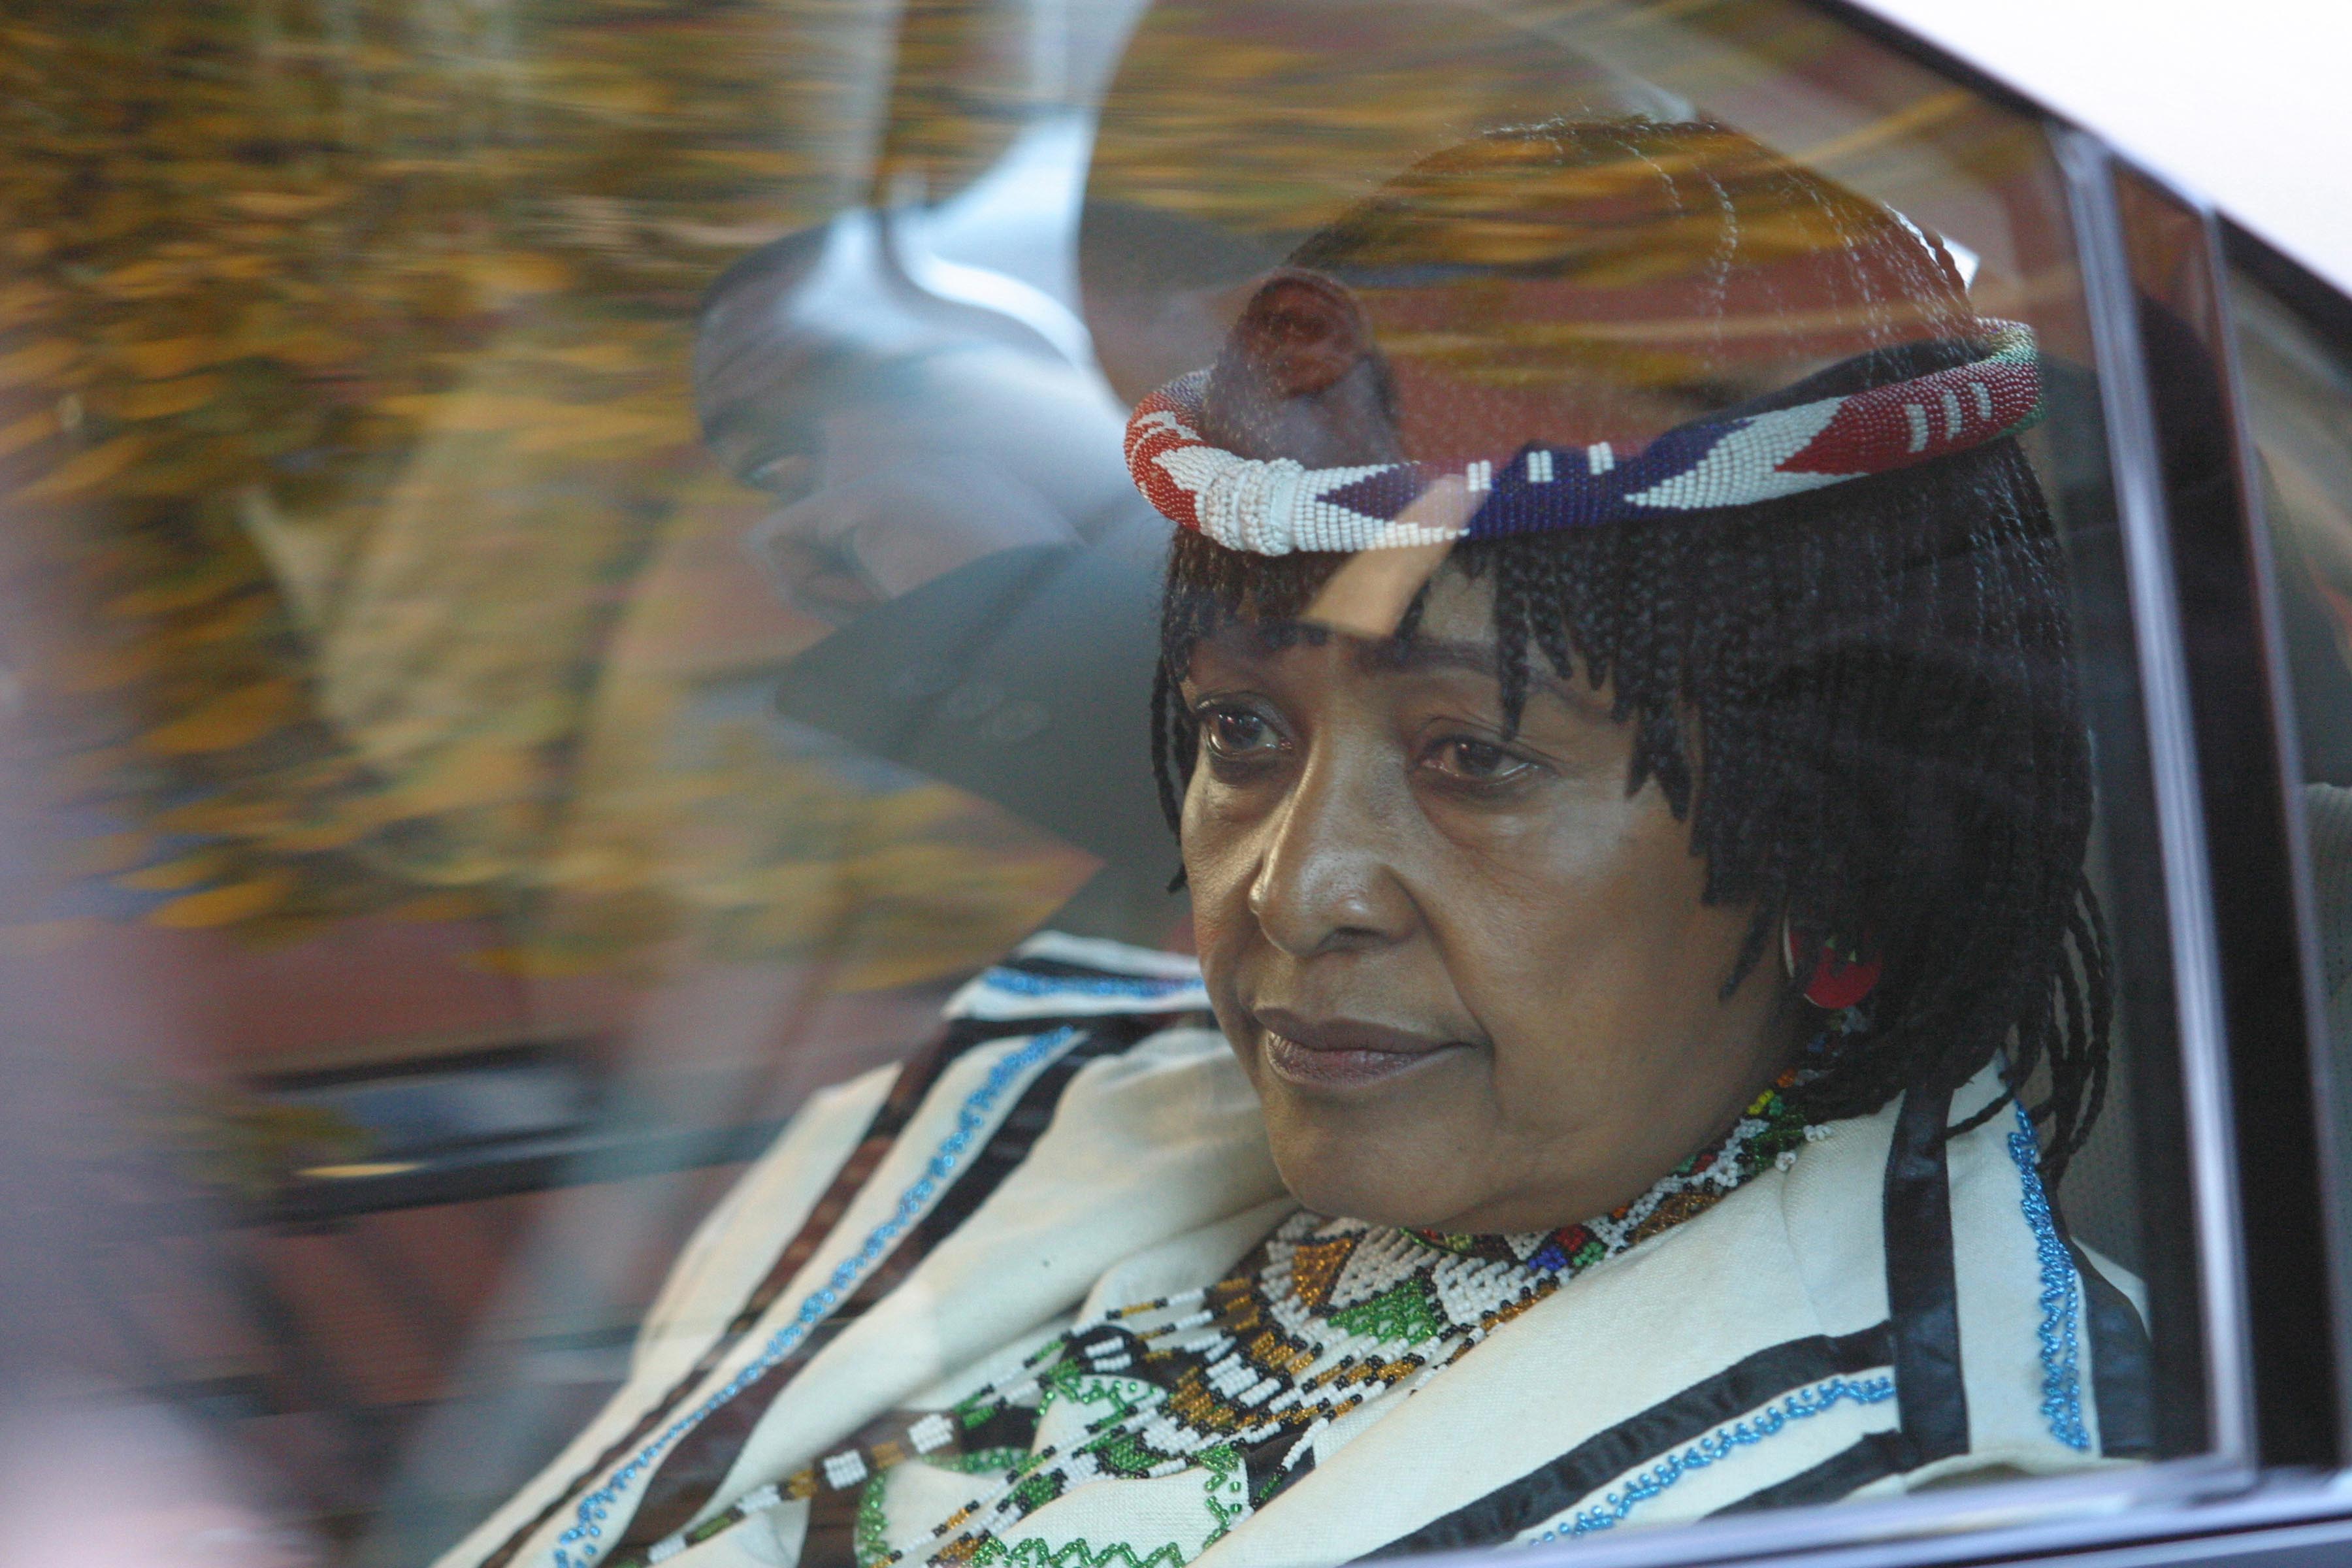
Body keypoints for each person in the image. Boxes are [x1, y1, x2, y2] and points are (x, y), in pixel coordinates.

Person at [440, 119, 2148, 1568]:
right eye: (1243, 733)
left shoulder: (1924, 1492)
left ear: (1839, 842)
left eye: (1475, 755)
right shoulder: (1031, 1109)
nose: (1291, 888)